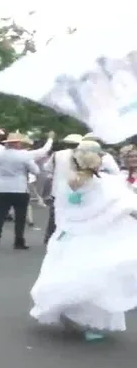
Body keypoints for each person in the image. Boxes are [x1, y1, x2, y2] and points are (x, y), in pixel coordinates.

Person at [29, 141, 137, 341]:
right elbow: (123, 205)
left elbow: (65, 211)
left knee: (70, 275)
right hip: (94, 239)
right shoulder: (104, 183)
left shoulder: (69, 182)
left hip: (69, 237)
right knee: (95, 280)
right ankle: (86, 322)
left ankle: (67, 312)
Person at [0, 132, 52, 250]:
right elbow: (36, 171)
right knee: (20, 217)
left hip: (2, 188)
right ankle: (18, 241)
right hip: (19, 188)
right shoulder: (24, 156)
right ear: (17, 143)